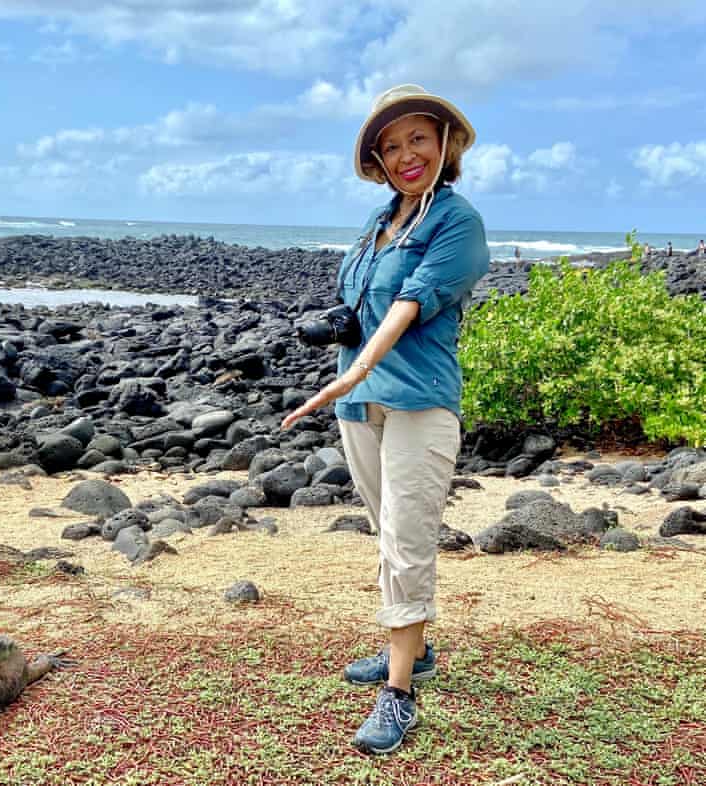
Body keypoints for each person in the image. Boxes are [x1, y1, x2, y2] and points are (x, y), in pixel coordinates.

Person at [281, 84, 490, 755]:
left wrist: (354, 368)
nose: (406, 155)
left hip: (420, 400)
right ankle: (415, 651)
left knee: (408, 541)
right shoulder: (378, 225)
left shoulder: (456, 223)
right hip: (361, 405)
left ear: (443, 145)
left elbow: (409, 304)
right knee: (386, 532)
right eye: (391, 145)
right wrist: (336, 331)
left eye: (417, 140)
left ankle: (399, 693)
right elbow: (363, 304)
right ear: (379, 158)